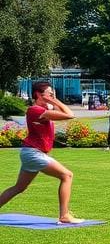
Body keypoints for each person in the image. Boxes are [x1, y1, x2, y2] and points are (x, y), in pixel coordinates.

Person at [0, 81, 82, 223]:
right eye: (49, 93)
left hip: (32, 153)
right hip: (33, 153)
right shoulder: (35, 110)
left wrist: (51, 100)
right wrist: (54, 100)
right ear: (38, 94)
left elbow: (63, 113)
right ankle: (64, 215)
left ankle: (65, 215)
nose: (52, 95)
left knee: (19, 187)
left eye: (53, 93)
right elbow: (70, 115)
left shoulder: (44, 111)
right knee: (67, 175)